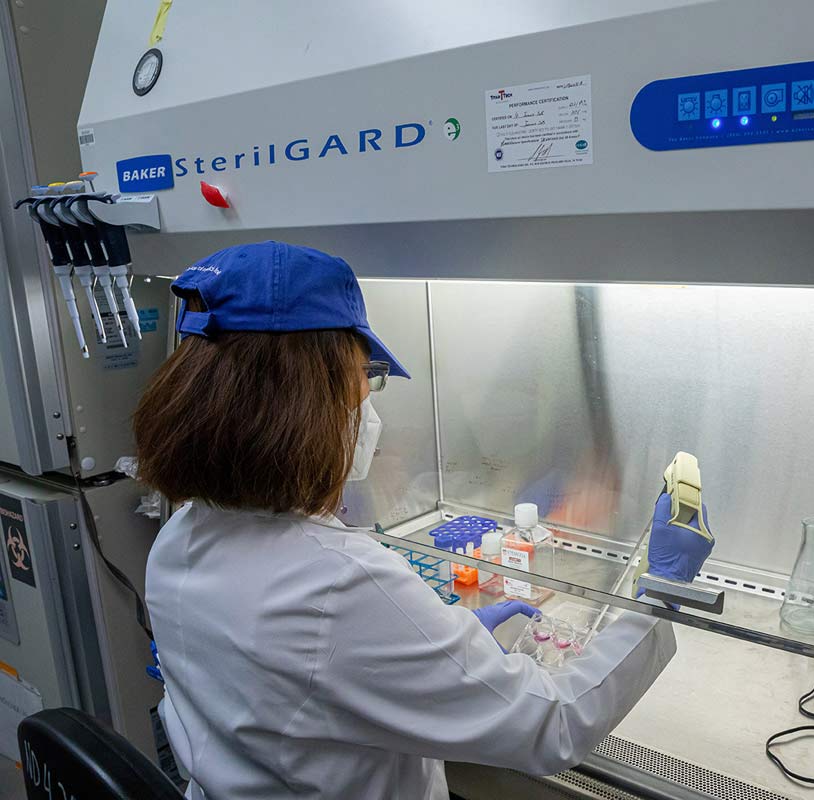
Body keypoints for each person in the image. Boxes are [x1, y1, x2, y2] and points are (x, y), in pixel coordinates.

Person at [133, 241, 715, 800]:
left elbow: (303, 681)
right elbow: (554, 721)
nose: (369, 402)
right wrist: (660, 596)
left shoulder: (179, 538)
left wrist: (439, 646)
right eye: (366, 376)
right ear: (309, 399)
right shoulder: (335, 581)